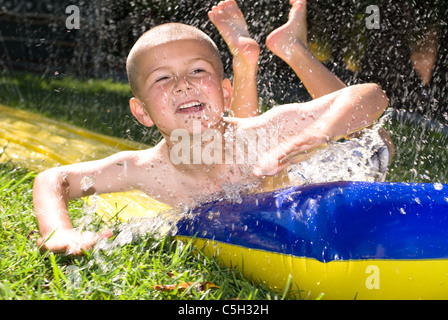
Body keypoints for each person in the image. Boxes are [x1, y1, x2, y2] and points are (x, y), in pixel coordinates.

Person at [33, 1, 389, 255]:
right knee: (248, 160)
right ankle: (247, 61)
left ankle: (293, 49)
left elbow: (371, 96)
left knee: (369, 135)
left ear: (224, 91)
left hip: (344, 163)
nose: (183, 84)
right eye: (163, 78)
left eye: (197, 71)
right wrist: (58, 231)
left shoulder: (265, 131)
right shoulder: (145, 170)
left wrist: (320, 134)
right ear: (141, 112)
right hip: (252, 173)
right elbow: (53, 179)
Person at [209, 0, 394, 183]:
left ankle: (251, 64)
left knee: (246, 171)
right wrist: (320, 133)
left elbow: (375, 95)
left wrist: (319, 134)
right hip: (312, 180)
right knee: (375, 144)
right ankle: (288, 49)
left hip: (299, 181)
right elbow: (375, 95)